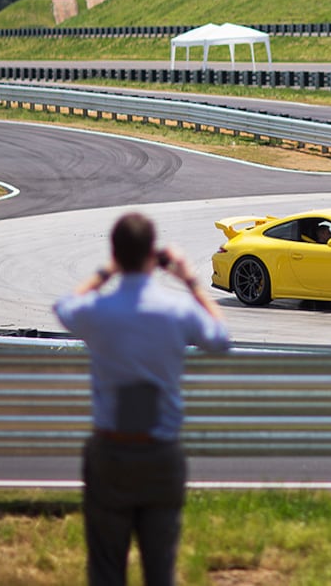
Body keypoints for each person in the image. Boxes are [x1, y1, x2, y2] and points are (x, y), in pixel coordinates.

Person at [53, 212, 231, 586]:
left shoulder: (98, 311)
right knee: (160, 570)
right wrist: (191, 280)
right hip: (160, 455)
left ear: (116, 253)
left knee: (105, 569)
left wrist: (105, 272)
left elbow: (63, 307)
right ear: (153, 255)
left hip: (110, 454)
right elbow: (220, 339)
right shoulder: (177, 311)